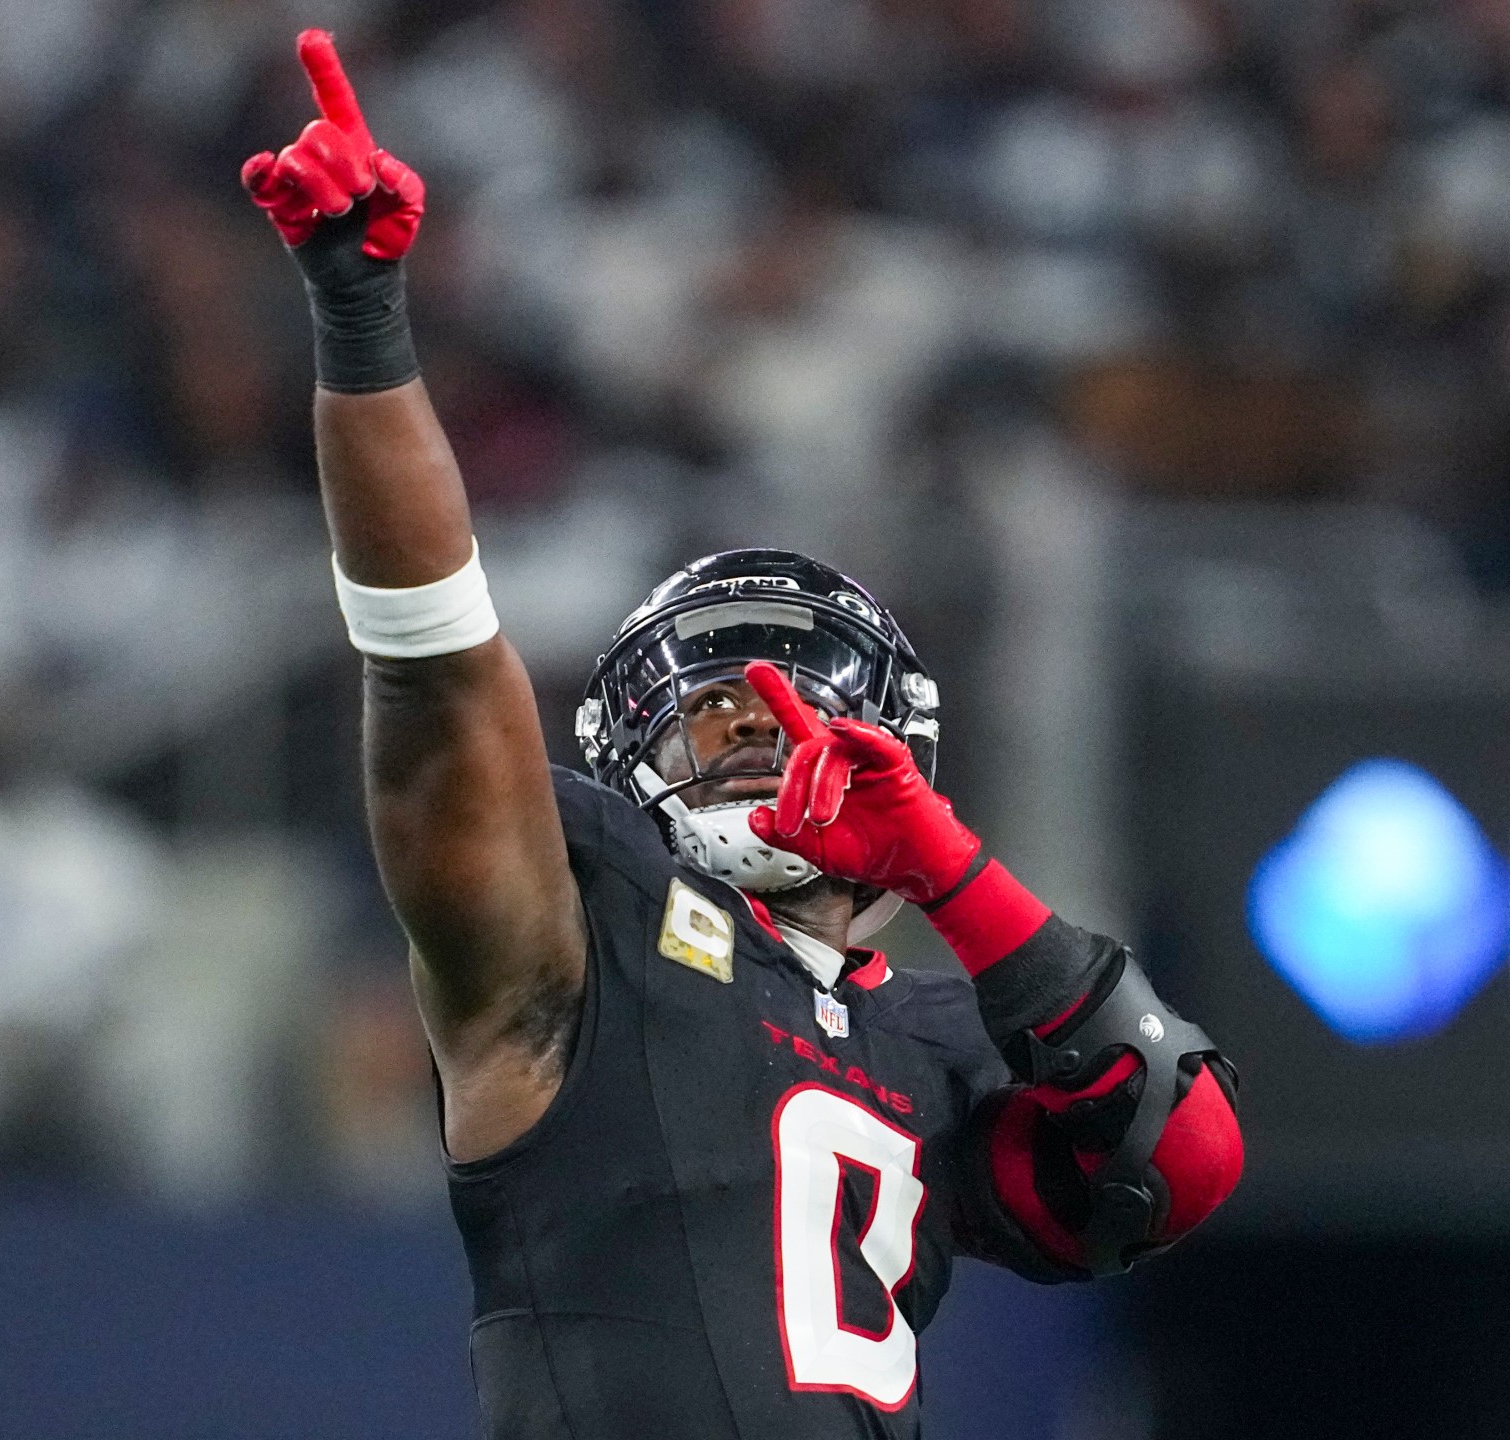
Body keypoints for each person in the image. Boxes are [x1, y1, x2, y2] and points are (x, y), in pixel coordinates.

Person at [240, 31, 1244, 1438]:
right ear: (633, 756)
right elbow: (431, 670)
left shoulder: (940, 1038)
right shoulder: (593, 929)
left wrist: (955, 873)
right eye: (716, 715)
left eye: (806, 707)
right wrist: (364, 328)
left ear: (897, 746)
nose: (766, 737)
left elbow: (1178, 1162)